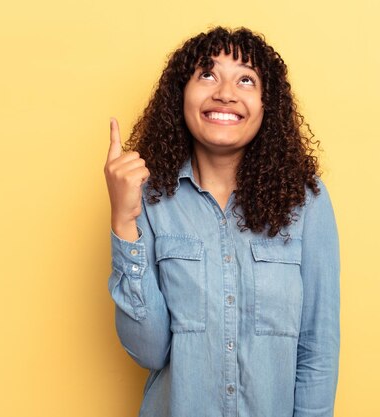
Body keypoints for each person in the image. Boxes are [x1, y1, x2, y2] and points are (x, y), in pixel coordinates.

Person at [104, 26, 340, 417]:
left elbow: (318, 348)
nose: (225, 93)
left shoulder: (306, 201)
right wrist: (123, 221)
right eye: (207, 74)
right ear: (181, 95)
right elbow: (148, 351)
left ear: (268, 105)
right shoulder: (148, 198)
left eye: (246, 79)